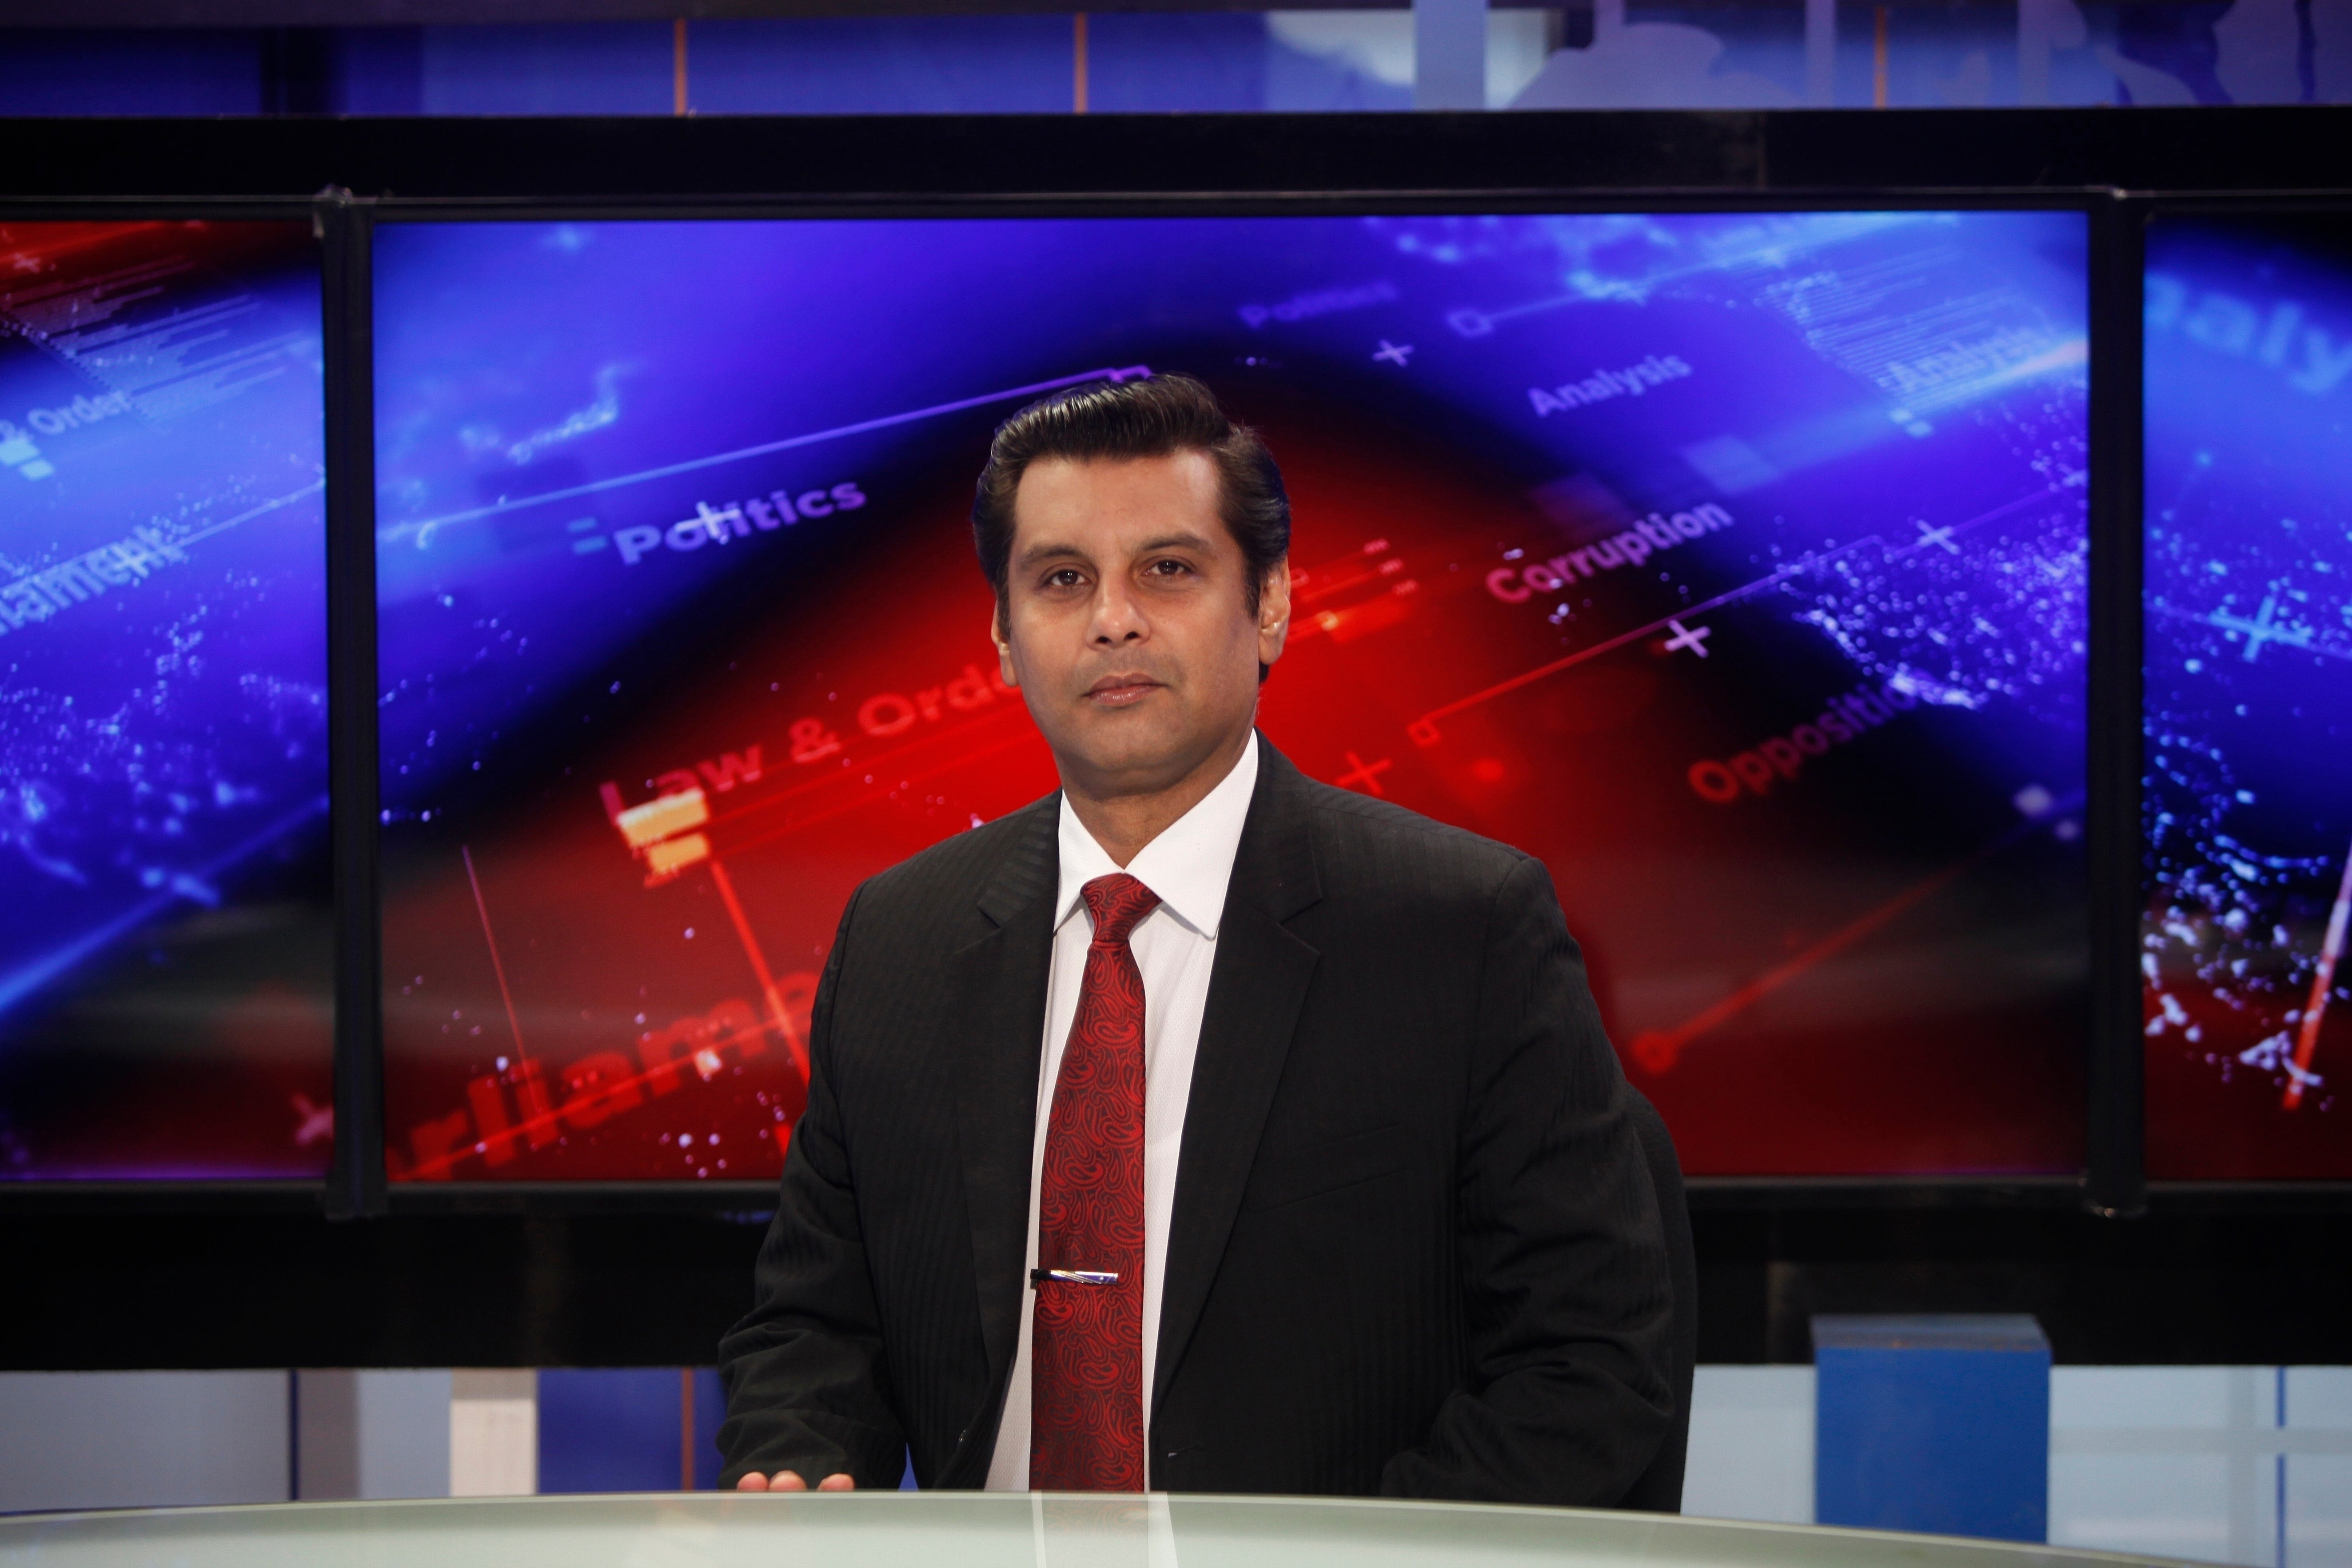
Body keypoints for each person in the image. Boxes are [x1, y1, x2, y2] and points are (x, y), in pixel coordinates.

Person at [716, 373, 1672, 1501]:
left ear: (1267, 605)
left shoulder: (1461, 926)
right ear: (1005, 637)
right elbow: (816, 1322)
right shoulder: (899, 935)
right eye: (1062, 579)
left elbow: (1588, 1362)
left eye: (1167, 570)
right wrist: (801, 1459)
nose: (1113, 617)